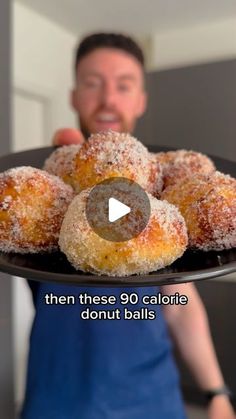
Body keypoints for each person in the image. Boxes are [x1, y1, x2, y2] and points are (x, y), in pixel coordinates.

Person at [20, 33, 235, 419]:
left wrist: (215, 390)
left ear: (141, 100)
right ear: (73, 96)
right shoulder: (47, 185)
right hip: (56, 396)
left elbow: (180, 303)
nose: (108, 98)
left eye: (124, 84)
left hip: (152, 399)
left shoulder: (163, 201)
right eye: (92, 83)